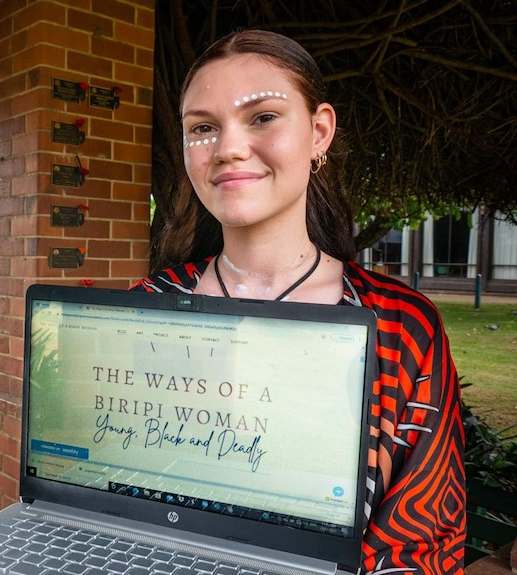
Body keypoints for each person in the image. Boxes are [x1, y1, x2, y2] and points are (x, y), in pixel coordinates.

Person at [131, 29, 466, 574]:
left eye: (262, 116)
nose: (229, 148)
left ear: (319, 132)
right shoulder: (144, 310)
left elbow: (423, 543)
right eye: (203, 128)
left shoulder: (403, 328)